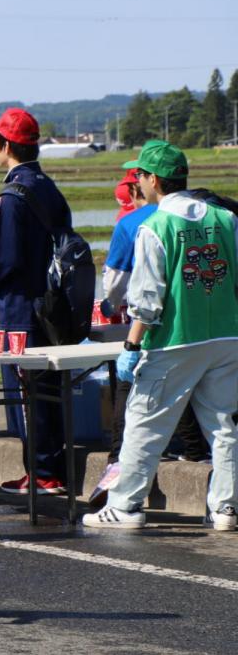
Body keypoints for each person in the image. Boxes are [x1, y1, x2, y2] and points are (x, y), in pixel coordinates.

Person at [83, 140, 238, 530]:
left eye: (139, 174)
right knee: (223, 425)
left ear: (153, 180)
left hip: (173, 340)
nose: (137, 181)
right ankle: (226, 508)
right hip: (226, 336)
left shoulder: (155, 226)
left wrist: (132, 345)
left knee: (144, 422)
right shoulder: (225, 219)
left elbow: (148, 300)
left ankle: (125, 506)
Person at [91, 169, 209, 503]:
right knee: (212, 415)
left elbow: (129, 290)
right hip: (212, 327)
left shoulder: (138, 225)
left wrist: (129, 336)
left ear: (142, 184)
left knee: (136, 406)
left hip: (158, 330)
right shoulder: (208, 215)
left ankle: (120, 485)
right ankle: (204, 469)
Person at [0, 107, 71, 496]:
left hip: (19, 307)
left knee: (25, 392)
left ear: (4, 145)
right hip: (53, 306)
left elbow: (6, 259)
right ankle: (50, 466)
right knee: (49, 387)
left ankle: (40, 472)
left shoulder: (13, 194)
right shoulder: (49, 187)